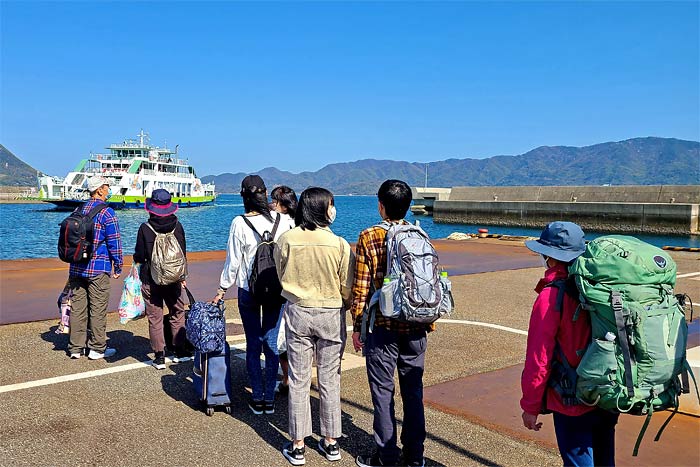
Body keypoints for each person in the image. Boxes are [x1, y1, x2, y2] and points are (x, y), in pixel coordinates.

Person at [520, 221, 619, 467]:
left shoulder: (552, 295)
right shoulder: (600, 287)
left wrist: (530, 406)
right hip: (607, 389)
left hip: (572, 399)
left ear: (548, 256)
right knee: (605, 459)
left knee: (579, 461)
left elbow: (539, 358)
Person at [351, 180, 432, 467]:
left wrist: (358, 328)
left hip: (382, 328)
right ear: (408, 206)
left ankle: (386, 457)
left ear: (381, 205)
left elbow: (360, 290)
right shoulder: (420, 234)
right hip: (417, 325)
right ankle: (415, 457)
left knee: (383, 394)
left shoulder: (369, 236)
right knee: (413, 392)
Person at [274, 187, 354, 466]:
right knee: (330, 377)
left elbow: (281, 272)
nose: (333, 209)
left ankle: (297, 445)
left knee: (299, 378)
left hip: (298, 309)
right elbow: (347, 286)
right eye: (331, 204)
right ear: (323, 209)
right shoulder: (340, 244)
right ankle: (331, 442)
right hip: (331, 311)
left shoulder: (286, 239)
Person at [212, 175, 294, 415]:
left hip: (249, 291)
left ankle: (256, 397)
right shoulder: (283, 220)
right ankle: (269, 397)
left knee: (253, 343)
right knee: (270, 341)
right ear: (265, 194)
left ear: (244, 197)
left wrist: (222, 289)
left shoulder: (239, 223)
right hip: (276, 291)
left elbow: (233, 262)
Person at [133, 189, 190, 370]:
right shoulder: (178, 226)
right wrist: (182, 276)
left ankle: (159, 356)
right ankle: (179, 351)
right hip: (174, 278)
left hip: (151, 278)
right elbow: (182, 252)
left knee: (155, 316)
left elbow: (140, 256)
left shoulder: (145, 228)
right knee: (177, 312)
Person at [67, 176, 123, 360]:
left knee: (78, 307)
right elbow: (114, 241)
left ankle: (76, 347)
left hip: (76, 267)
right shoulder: (107, 213)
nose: (109, 189)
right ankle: (97, 348)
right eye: (107, 186)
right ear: (99, 190)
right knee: (97, 308)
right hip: (98, 268)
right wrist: (118, 265)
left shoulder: (78, 209)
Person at [270, 185, 298, 394]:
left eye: (274, 200)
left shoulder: (276, 223)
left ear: (282, 204)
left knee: (280, 337)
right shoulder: (302, 224)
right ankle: (293, 377)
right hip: (299, 289)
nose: (271, 204)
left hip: (281, 288)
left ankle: (287, 378)